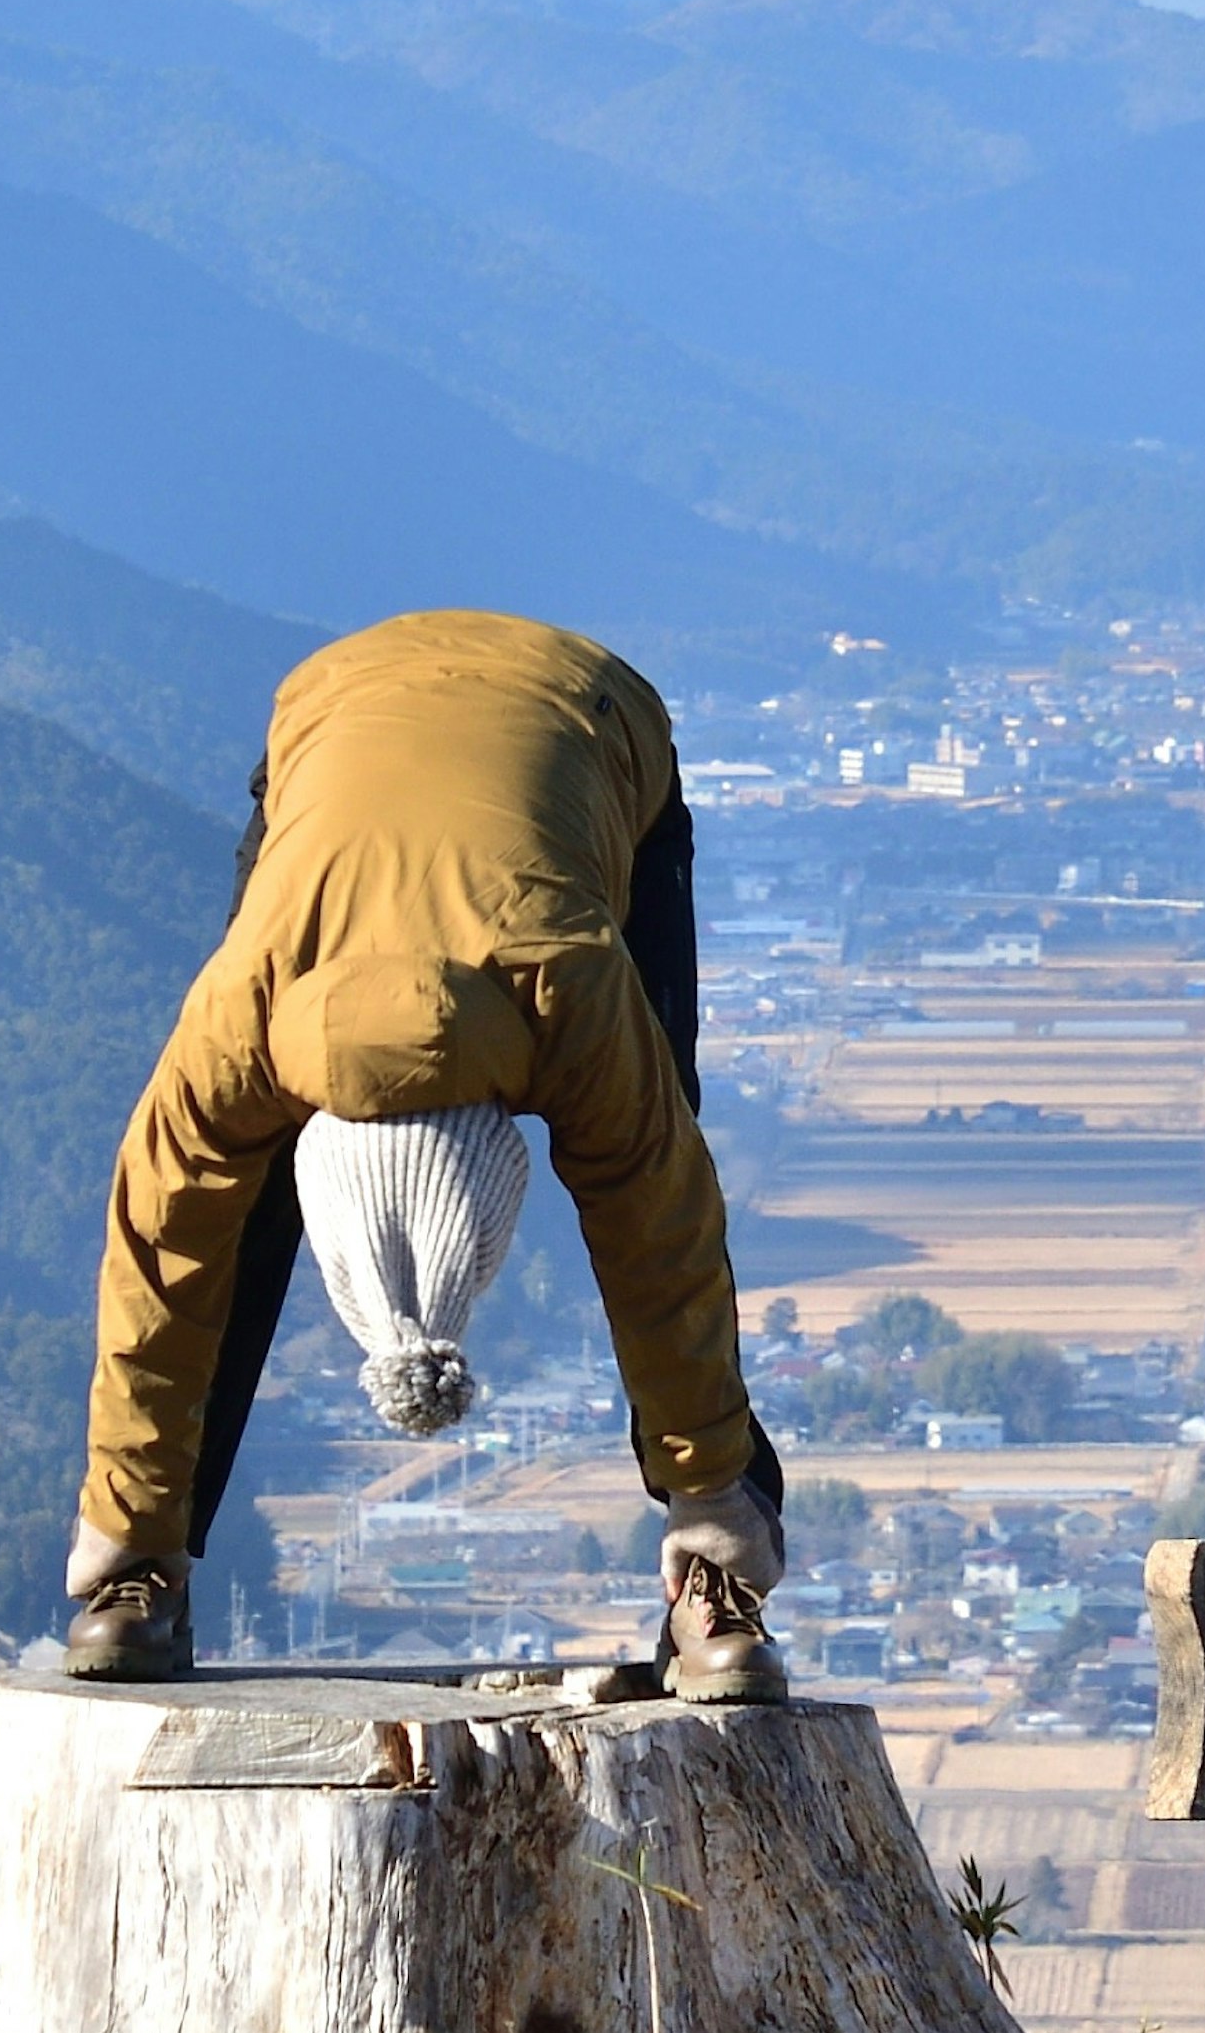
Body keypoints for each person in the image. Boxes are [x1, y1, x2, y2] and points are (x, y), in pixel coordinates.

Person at [61, 608, 784, 1695]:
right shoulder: (242, 1019)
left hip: (589, 710)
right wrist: (120, 1521)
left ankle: (711, 1569)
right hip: (333, 710)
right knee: (234, 1203)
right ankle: (142, 1569)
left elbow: (662, 1238)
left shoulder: (571, 993)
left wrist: (714, 1498)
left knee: (660, 1131)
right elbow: (162, 1249)